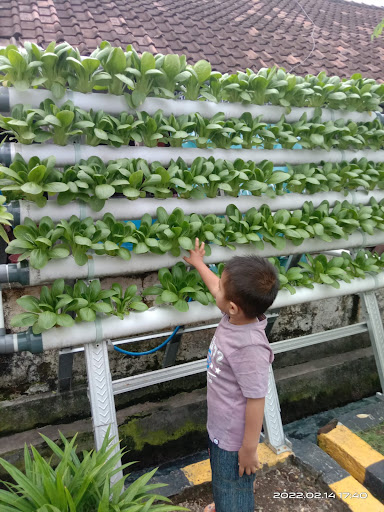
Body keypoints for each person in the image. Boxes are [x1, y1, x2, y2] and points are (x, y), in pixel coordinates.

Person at [183, 238, 279, 512]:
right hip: (220, 427)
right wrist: (199, 263)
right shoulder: (236, 315)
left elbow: (257, 399)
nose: (217, 288)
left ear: (233, 307)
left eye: (222, 288)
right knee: (225, 480)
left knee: (233, 483)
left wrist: (248, 449)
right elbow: (217, 287)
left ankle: (232, 504)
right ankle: (227, 501)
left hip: (234, 439)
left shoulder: (249, 346)